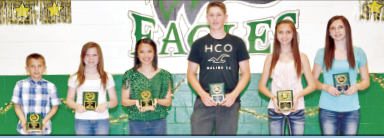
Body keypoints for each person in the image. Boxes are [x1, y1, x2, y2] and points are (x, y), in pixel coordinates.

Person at [187, 1, 250, 135]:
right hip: (204, 102)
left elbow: (246, 73)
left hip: (229, 102)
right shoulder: (198, 44)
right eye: (211, 15)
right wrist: (203, 95)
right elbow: (191, 74)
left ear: (225, 18)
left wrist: (234, 95)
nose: (215, 18)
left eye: (218, 15)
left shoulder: (237, 43)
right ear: (207, 18)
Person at [312, 15, 370, 135]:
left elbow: (366, 81)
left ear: (347, 30)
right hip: (327, 110)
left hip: (351, 110)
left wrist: (357, 87)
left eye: (340, 27)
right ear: (329, 32)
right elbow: (314, 81)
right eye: (332, 28)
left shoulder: (358, 52)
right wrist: (325, 87)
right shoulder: (321, 53)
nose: (336, 31)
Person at [258, 20, 315, 135]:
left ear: (293, 34)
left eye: (288, 32)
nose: (284, 36)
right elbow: (261, 86)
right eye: (281, 32)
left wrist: (297, 96)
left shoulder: (302, 57)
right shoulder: (270, 58)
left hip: (297, 108)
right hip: (275, 109)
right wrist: (274, 97)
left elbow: (312, 86)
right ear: (276, 34)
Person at [121, 38, 172, 135]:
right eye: (142, 52)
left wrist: (156, 101)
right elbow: (124, 101)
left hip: (158, 121)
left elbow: (168, 101)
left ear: (154, 53)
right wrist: (137, 102)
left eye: (149, 51)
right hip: (136, 121)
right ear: (137, 54)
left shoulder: (165, 75)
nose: (146, 55)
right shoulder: (129, 75)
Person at [66, 42, 118, 135]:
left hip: (102, 120)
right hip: (81, 120)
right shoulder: (74, 77)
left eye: (94, 55)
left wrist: (106, 105)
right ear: (82, 57)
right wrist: (76, 106)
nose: (91, 58)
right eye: (87, 55)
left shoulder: (107, 77)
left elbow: (114, 101)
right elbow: (69, 100)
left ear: (99, 58)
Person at [11, 53, 61, 135]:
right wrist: (24, 122)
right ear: (27, 69)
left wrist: (44, 121)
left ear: (45, 68)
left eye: (40, 66)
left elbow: (55, 107)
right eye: (32, 66)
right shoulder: (19, 85)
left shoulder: (51, 86)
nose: (36, 69)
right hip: (24, 131)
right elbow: (17, 107)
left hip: (44, 131)